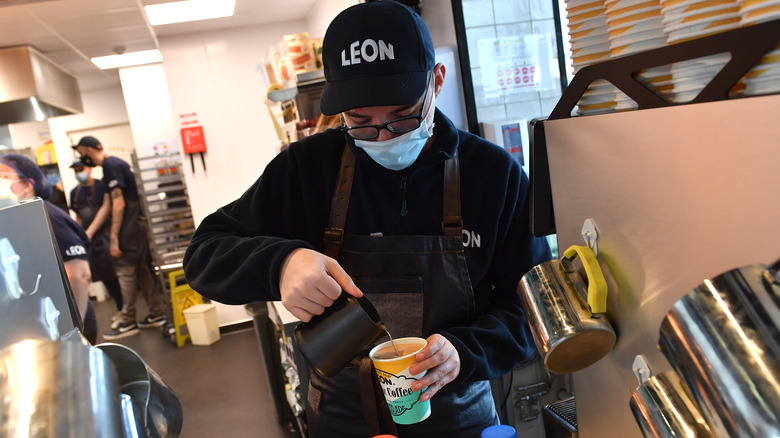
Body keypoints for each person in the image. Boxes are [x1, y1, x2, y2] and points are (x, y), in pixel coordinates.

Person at [183, 2, 551, 437]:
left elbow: (532, 304)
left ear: (436, 81)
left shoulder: (493, 175)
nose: (383, 137)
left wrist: (466, 351)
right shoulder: (308, 169)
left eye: (401, 118)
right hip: (342, 416)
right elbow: (204, 253)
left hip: (457, 413)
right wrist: (280, 263)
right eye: (360, 122)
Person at [72, 136, 165, 340]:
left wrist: (114, 237)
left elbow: (119, 203)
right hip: (137, 222)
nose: (81, 158)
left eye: (81, 152)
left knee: (124, 271)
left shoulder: (111, 165)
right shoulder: (114, 165)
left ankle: (128, 321)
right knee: (140, 269)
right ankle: (156, 313)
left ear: (88, 149)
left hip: (130, 224)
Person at [0, 153, 98, 344]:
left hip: (68, 327)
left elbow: (80, 274)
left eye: (3, 176)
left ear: (28, 185)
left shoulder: (46, 216)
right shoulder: (17, 218)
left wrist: (73, 333)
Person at [69, 157, 124, 323]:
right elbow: (78, 216)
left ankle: (125, 308)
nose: (80, 173)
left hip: (104, 235)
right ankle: (120, 308)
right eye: (76, 170)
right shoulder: (75, 193)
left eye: (81, 169)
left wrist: (90, 232)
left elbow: (106, 208)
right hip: (89, 240)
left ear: (89, 168)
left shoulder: (101, 186)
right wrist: (78, 236)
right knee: (103, 275)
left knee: (116, 273)